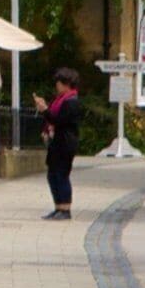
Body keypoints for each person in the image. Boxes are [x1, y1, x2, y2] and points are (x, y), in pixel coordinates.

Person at [41, 65, 83, 218]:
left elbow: (59, 121)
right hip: (57, 142)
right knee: (52, 174)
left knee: (61, 174)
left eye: (59, 82)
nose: (56, 85)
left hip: (65, 143)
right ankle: (58, 206)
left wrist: (44, 110)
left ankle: (66, 209)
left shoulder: (71, 102)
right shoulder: (60, 100)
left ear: (66, 83)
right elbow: (53, 118)